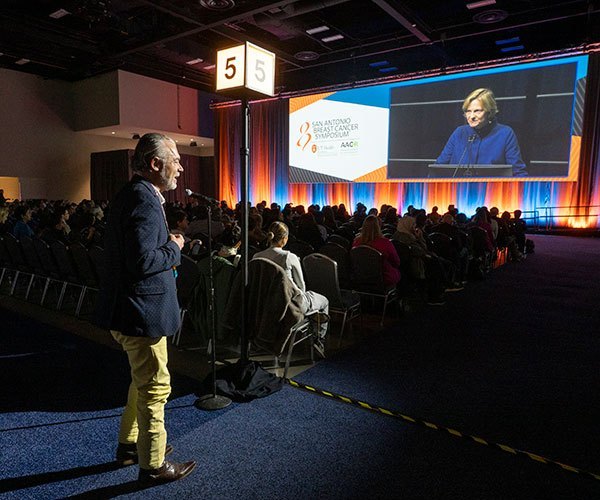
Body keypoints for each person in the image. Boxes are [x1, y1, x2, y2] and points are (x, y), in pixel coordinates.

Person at [95, 133, 196, 486]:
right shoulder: (143, 200)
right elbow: (142, 260)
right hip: (142, 314)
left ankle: (130, 447)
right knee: (155, 389)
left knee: (141, 384)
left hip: (130, 311)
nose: (181, 168)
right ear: (155, 164)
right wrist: (174, 246)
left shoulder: (132, 194)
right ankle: (152, 465)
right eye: (176, 161)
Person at [253, 221, 329, 352]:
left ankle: (310, 326)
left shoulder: (256, 257)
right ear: (284, 239)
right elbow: (301, 286)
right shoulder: (289, 257)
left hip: (265, 304)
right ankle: (318, 339)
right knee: (324, 301)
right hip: (291, 304)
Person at [436, 88, 527, 177]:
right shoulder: (459, 132)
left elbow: (518, 172)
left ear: (489, 112)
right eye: (468, 111)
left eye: (477, 111)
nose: (471, 116)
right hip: (458, 190)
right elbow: (438, 168)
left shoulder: (505, 133)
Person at [352, 215, 400, 287]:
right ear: (379, 227)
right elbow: (396, 262)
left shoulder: (356, 242)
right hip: (383, 278)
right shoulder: (385, 243)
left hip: (361, 276)